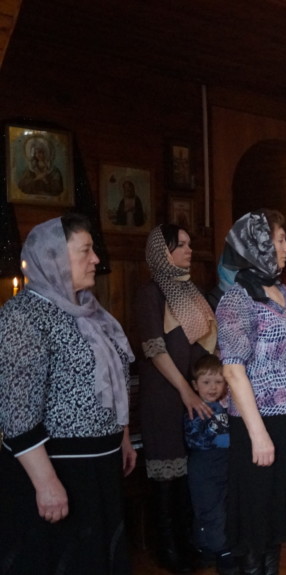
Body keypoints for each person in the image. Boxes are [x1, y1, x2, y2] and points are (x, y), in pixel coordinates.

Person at [0, 214, 136, 574]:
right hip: (60, 470)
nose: (96, 259)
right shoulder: (24, 315)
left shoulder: (91, 311)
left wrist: (121, 436)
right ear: (54, 257)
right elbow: (17, 412)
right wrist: (46, 483)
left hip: (100, 466)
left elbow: (113, 384)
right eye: (85, 251)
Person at [216, 210, 286, 572]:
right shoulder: (236, 299)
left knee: (278, 516)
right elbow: (233, 370)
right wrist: (258, 434)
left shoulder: (284, 292)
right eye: (280, 240)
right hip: (257, 420)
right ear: (257, 244)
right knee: (257, 516)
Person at [136, 223, 218, 572]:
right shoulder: (150, 293)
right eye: (180, 245)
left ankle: (186, 542)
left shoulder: (190, 292)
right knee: (166, 477)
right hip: (164, 397)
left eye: (188, 244)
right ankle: (166, 548)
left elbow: (203, 345)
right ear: (162, 252)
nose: (188, 250)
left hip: (191, 395)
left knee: (186, 476)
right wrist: (185, 390)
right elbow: (155, 349)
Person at [183, 355, 233, 574]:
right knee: (209, 509)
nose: (213, 387)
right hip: (204, 466)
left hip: (224, 464)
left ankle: (212, 548)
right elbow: (196, 439)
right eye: (206, 382)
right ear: (195, 385)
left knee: (223, 506)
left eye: (218, 382)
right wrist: (225, 436)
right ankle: (219, 551)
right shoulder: (195, 408)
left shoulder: (227, 406)